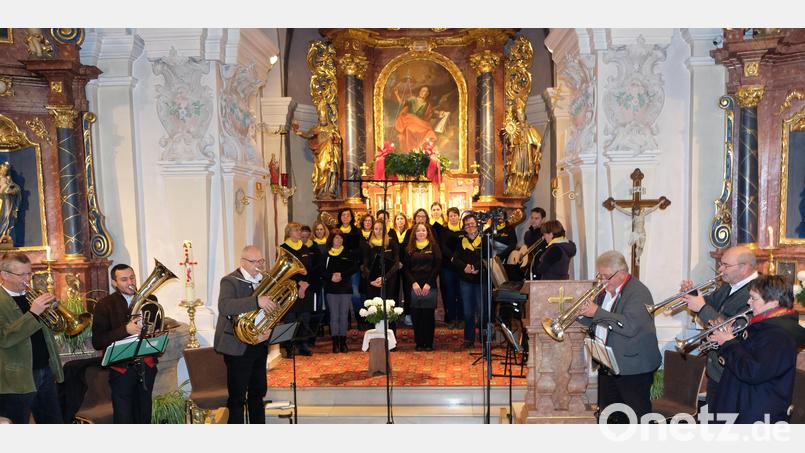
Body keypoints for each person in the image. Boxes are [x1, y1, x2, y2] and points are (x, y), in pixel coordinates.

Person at [577, 250, 661, 423]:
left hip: (633, 366)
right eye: (600, 275)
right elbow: (598, 319)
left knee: (637, 416)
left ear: (622, 274)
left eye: (606, 276)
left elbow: (629, 326)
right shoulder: (605, 291)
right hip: (608, 362)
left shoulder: (639, 293)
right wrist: (580, 315)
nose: (602, 281)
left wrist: (597, 311)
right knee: (610, 415)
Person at [708, 275, 805, 423]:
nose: (748, 302)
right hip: (743, 404)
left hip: (755, 414)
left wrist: (729, 343)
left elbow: (753, 371)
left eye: (754, 298)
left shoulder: (780, 335)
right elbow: (746, 357)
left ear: (774, 301)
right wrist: (723, 341)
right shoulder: (764, 326)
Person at [680, 244, 758, 408]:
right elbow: (710, 306)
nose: (720, 269)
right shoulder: (728, 286)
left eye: (726, 265)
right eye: (721, 264)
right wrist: (693, 296)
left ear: (744, 268)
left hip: (733, 374)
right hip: (717, 371)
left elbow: (735, 329)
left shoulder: (756, 293)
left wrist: (701, 307)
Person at [213, 245, 277, 424]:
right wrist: (257, 301)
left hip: (259, 343)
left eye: (261, 261)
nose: (259, 265)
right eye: (254, 261)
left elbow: (271, 310)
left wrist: (269, 329)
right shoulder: (230, 281)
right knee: (237, 396)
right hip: (236, 346)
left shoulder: (264, 280)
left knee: (258, 393)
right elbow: (225, 306)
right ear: (243, 262)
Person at [0, 253, 63, 424]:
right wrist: (33, 313)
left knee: (53, 423)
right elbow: (5, 339)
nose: (27, 278)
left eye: (29, 273)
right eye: (22, 274)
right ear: (4, 275)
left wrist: (53, 311)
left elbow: (50, 329)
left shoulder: (33, 296)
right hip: (17, 377)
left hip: (45, 369)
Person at [92, 263, 158, 424]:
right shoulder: (105, 305)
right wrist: (125, 330)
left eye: (132, 277)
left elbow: (156, 329)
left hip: (146, 365)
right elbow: (98, 341)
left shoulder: (150, 299)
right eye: (124, 279)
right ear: (114, 283)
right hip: (121, 369)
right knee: (124, 417)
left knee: (144, 415)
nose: (130, 282)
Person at [403, 223, 442, 351]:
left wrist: (428, 283)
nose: (421, 232)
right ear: (415, 233)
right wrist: (413, 283)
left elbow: (437, 265)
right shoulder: (410, 248)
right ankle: (419, 343)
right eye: (418, 230)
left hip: (429, 284)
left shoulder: (434, 246)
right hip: (414, 285)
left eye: (423, 230)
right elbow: (406, 268)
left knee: (428, 315)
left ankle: (428, 343)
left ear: (427, 232)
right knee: (416, 315)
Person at [279, 222, 315, 357]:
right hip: (290, 288)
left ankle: (303, 345)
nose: (299, 233)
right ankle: (289, 346)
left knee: (304, 318)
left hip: (306, 287)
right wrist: (299, 283)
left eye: (300, 230)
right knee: (291, 318)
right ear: (289, 232)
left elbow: (310, 269)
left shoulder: (305, 248)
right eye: (296, 230)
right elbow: (284, 272)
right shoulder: (283, 249)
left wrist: (306, 284)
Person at [291, 107, 341, 199]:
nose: (323, 120)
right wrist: (299, 132)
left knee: (331, 171)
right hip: (321, 155)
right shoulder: (316, 129)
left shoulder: (331, 128)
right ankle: (322, 190)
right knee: (322, 170)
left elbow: (337, 139)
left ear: (327, 118)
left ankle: (330, 190)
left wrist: (334, 138)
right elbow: (308, 135)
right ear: (319, 119)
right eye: (321, 119)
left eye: (324, 118)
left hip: (330, 153)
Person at [322, 229, 358, 353]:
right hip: (331, 288)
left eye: (341, 238)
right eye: (336, 238)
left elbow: (354, 267)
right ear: (331, 239)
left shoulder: (347, 252)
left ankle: (343, 342)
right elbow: (322, 271)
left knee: (343, 316)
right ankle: (335, 342)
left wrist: (341, 274)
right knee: (334, 316)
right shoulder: (326, 254)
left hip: (345, 288)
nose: (339, 240)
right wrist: (331, 276)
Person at [451, 214, 483, 349]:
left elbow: (486, 257)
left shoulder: (483, 240)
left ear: (477, 225)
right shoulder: (460, 241)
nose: (470, 227)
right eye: (467, 225)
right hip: (466, 280)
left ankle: (484, 338)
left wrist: (475, 267)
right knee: (468, 311)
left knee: (482, 310)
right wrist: (465, 267)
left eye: (472, 224)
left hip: (481, 279)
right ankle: (468, 339)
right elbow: (455, 258)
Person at [393, 85, 447, 152]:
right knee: (409, 129)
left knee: (429, 131)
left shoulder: (427, 104)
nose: (424, 93)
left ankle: (418, 150)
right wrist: (397, 94)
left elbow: (431, 113)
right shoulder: (412, 99)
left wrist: (439, 113)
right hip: (409, 120)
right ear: (420, 92)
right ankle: (410, 150)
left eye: (426, 92)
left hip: (420, 123)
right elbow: (402, 104)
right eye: (423, 90)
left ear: (428, 94)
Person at [336, 208, 364, 328]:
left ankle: (359, 319)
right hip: (339, 267)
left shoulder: (356, 231)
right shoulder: (335, 231)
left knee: (355, 295)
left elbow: (360, 249)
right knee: (343, 295)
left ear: (351, 217)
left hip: (353, 268)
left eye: (348, 215)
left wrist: (348, 253)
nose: (346, 217)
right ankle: (346, 321)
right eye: (343, 215)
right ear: (340, 217)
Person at [363, 221, 400, 301]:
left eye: (381, 229)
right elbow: (365, 265)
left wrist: (385, 278)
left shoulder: (392, 244)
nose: (378, 231)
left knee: (388, 307)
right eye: (376, 229)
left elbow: (396, 264)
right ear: (373, 230)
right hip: (373, 281)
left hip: (389, 280)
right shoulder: (368, 245)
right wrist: (372, 279)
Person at [440, 207, 463, 328]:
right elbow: (443, 246)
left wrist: (458, 258)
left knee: (460, 292)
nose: (453, 218)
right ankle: (451, 318)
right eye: (451, 216)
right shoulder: (444, 230)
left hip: (461, 267)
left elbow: (464, 246)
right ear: (448, 217)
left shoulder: (463, 230)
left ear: (458, 216)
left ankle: (461, 318)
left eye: (455, 215)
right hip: (447, 266)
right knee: (450, 293)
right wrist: (452, 257)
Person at [301, 225, 323, 347]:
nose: (304, 239)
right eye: (302, 236)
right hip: (302, 284)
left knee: (314, 310)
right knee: (303, 312)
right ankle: (303, 337)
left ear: (310, 235)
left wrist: (309, 275)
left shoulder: (314, 247)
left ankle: (311, 337)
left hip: (313, 283)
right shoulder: (298, 247)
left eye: (306, 236)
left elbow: (319, 264)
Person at [517, 207, 549, 280]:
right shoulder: (527, 234)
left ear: (543, 219)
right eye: (532, 218)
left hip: (541, 270)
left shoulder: (546, 234)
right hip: (528, 268)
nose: (533, 221)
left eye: (536, 218)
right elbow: (526, 252)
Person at [0, 162, 21, 245]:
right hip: (1, 200)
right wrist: (5, 190)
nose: (4, 172)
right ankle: (1, 234)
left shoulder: (9, 178)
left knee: (8, 216)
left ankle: (5, 234)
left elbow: (16, 188)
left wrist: (14, 190)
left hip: (9, 200)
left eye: (6, 171)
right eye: (3, 170)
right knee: (3, 216)